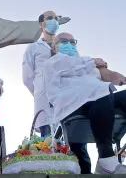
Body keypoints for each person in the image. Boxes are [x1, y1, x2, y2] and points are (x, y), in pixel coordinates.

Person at [22, 11, 110, 174]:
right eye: (49, 18)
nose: (53, 21)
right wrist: (42, 93)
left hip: (72, 97)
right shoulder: (33, 48)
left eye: (56, 18)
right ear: (41, 24)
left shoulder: (66, 45)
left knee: (77, 143)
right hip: (45, 99)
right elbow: (27, 77)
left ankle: (84, 172)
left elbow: (76, 68)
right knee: (48, 143)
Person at [44, 32, 126, 174]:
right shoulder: (52, 63)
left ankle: (106, 163)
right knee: (101, 90)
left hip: (100, 102)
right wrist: (93, 61)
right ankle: (106, 157)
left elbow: (108, 74)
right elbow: (70, 66)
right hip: (73, 104)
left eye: (72, 42)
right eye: (63, 41)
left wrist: (116, 76)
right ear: (54, 47)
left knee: (107, 92)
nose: (69, 45)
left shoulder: (88, 63)